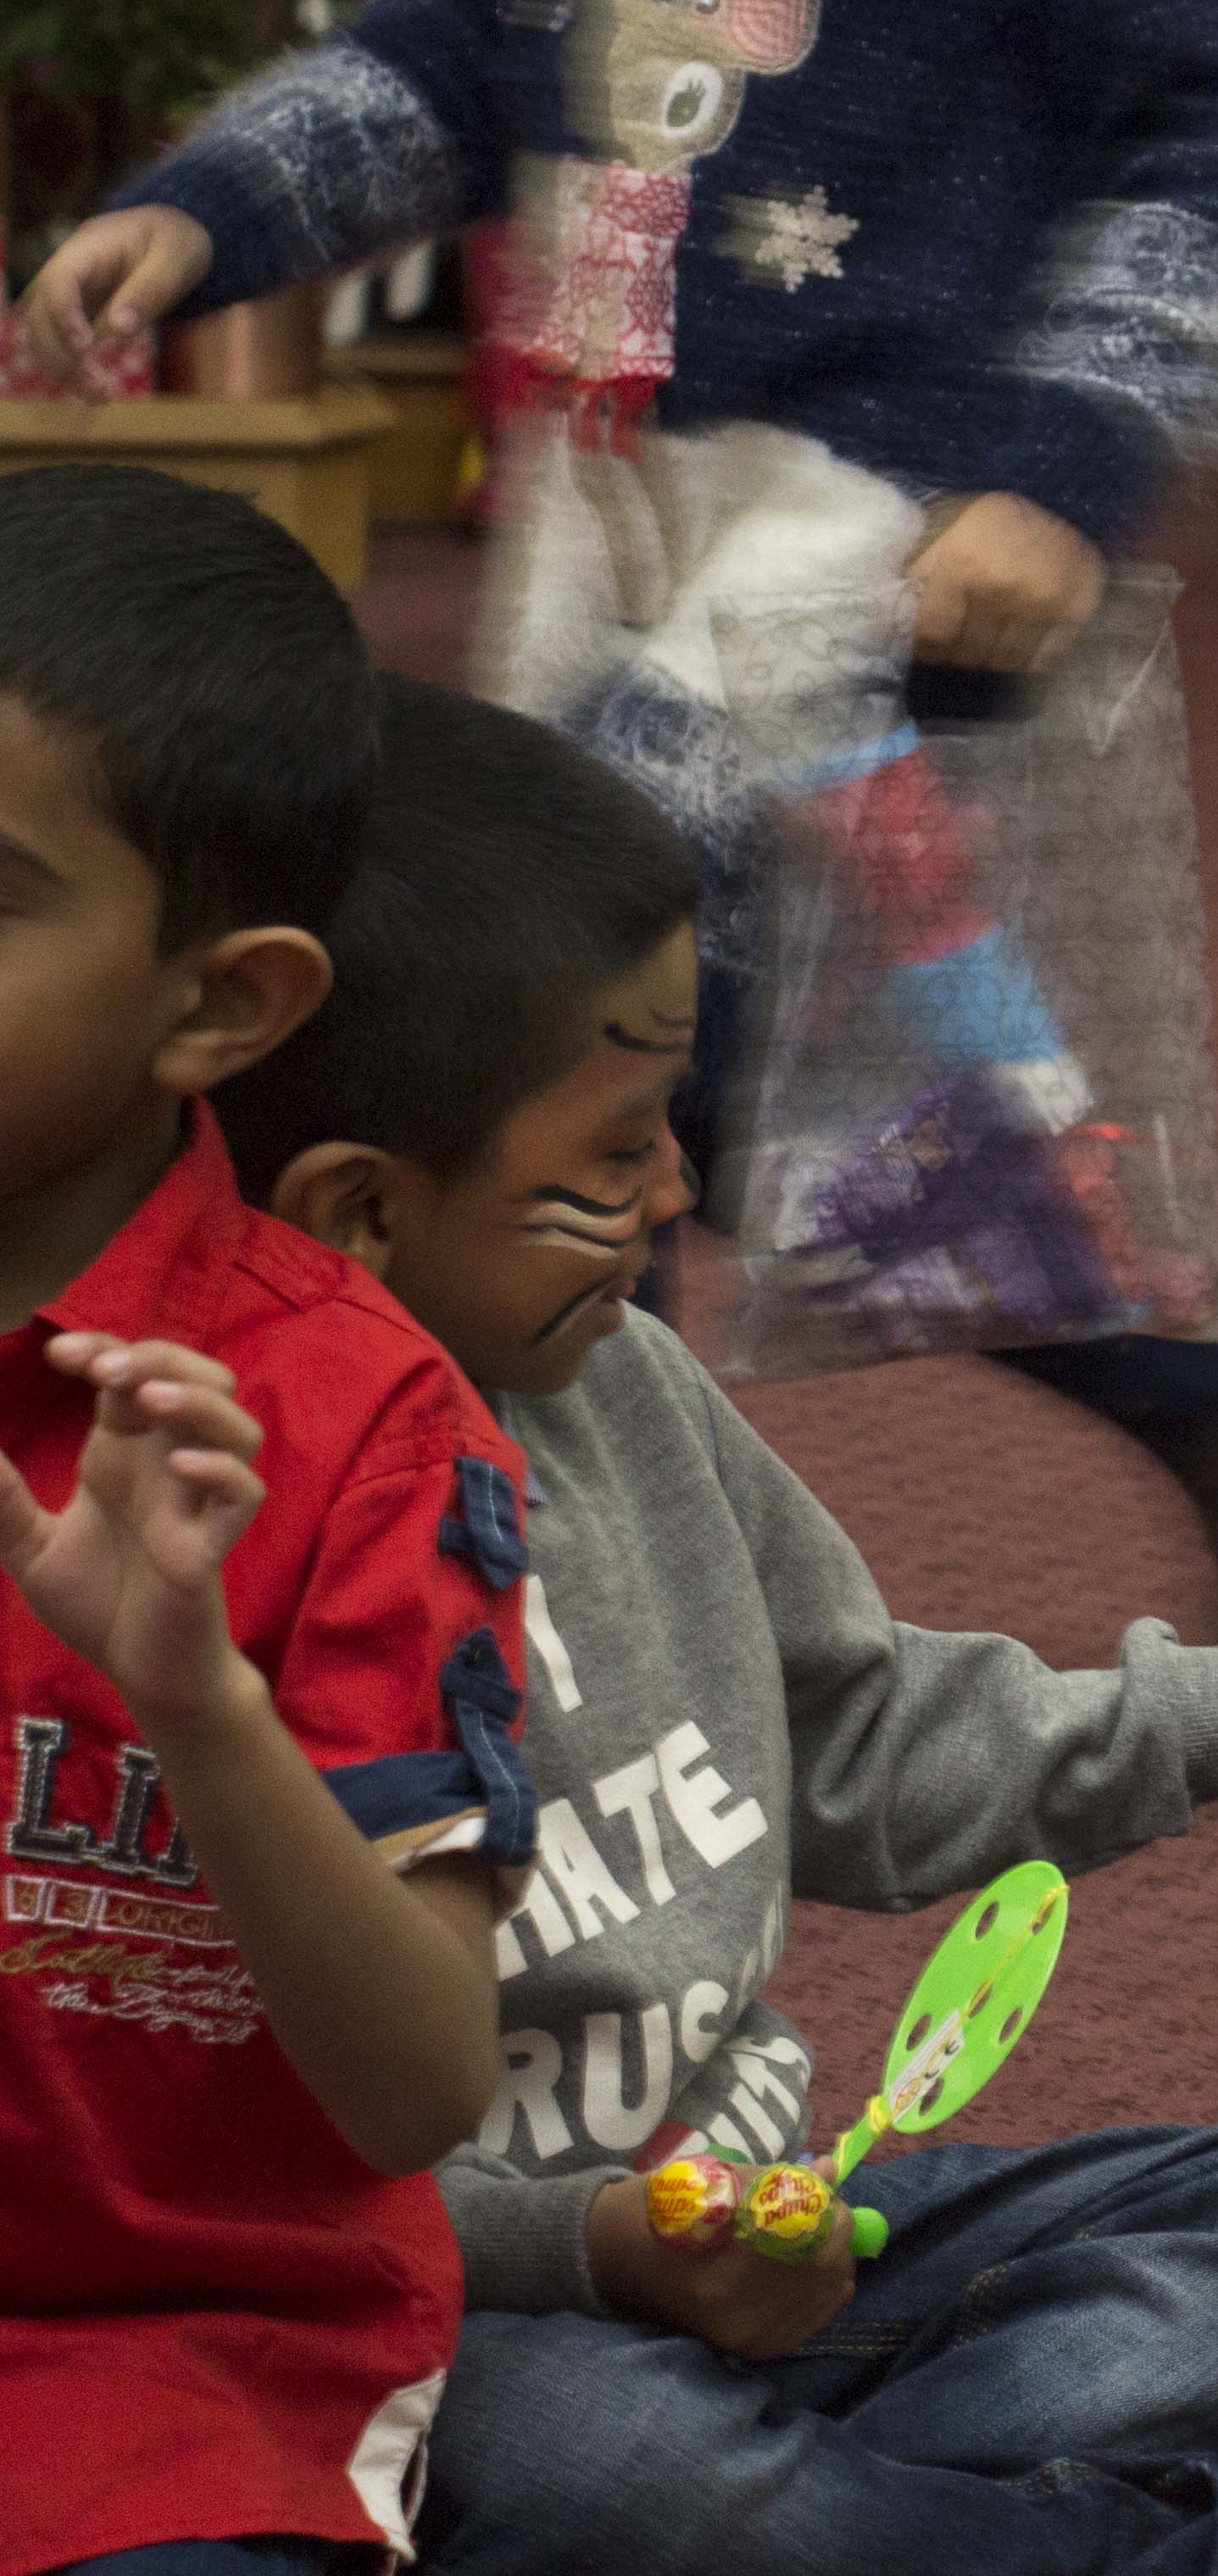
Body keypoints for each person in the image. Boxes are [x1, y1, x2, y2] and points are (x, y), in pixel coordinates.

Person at [209, 676, 1218, 2576]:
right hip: (496, 2311)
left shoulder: (623, 1384)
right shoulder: (209, 1571)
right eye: (620, 1146)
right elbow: (260, 2184)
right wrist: (607, 2253)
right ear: (365, 1214)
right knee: (619, 2482)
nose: (680, 1189)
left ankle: (887, 2545)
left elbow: (870, 1744)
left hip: (790, 2235)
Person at [12, 0, 1218, 1634]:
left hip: (863, 510)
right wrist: (215, 210)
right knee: (724, 1070)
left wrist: (1066, 467)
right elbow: (468, 53)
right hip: (611, 491)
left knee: (544, 1028)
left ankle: (515, 1600)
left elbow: (1202, 131)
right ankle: (1215, 1383)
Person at [0, 467, 538, 2574]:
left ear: (218, 1004)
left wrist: (194, 1702)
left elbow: (417, 2087)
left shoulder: (359, 1421)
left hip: (176, 2377)